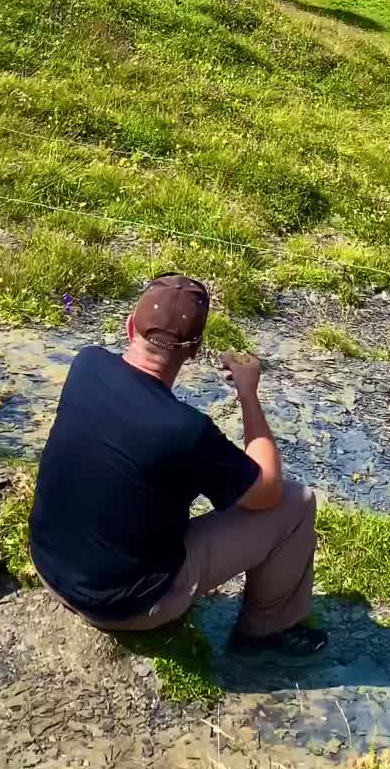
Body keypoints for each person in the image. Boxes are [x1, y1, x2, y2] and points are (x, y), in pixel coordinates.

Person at [29, 273, 326, 660]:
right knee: (295, 502)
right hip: (123, 606)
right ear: (196, 350)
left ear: (129, 327)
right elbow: (267, 491)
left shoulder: (87, 364)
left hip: (50, 566)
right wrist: (248, 395)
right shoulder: (186, 430)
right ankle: (266, 634)